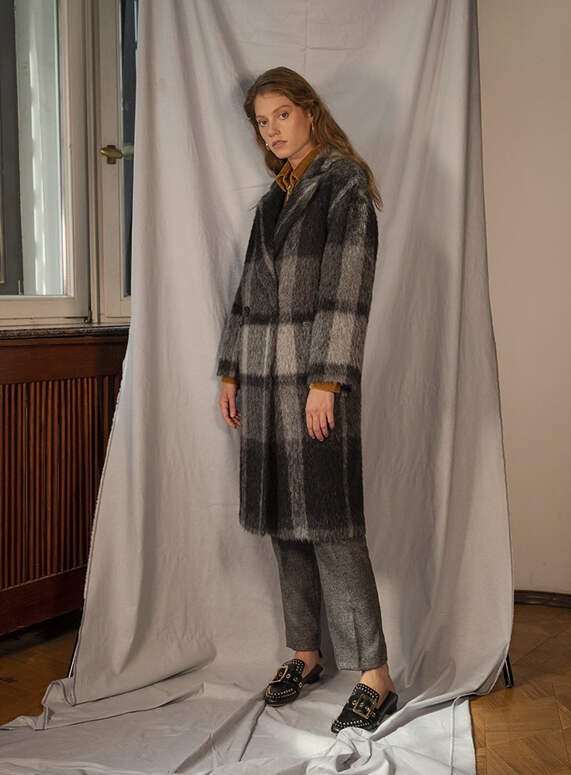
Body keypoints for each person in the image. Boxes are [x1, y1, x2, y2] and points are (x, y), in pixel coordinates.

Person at [217, 66, 397, 733]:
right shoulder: (273, 199)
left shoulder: (342, 183)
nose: (272, 130)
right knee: (283, 522)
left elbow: (348, 288)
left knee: (331, 524)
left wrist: (326, 381)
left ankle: (376, 677)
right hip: (265, 383)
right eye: (262, 122)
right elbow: (247, 292)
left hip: (315, 382)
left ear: (309, 112)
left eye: (282, 115)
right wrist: (231, 370)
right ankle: (306, 653)